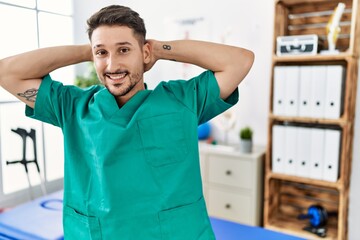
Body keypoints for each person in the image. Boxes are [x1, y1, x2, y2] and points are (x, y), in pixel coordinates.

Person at [0, 5, 254, 240]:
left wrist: (159, 48)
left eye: (124, 49)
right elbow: (7, 72)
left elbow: (239, 61)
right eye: (102, 53)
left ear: (143, 52)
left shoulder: (184, 100)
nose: (112, 65)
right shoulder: (72, 106)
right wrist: (87, 51)